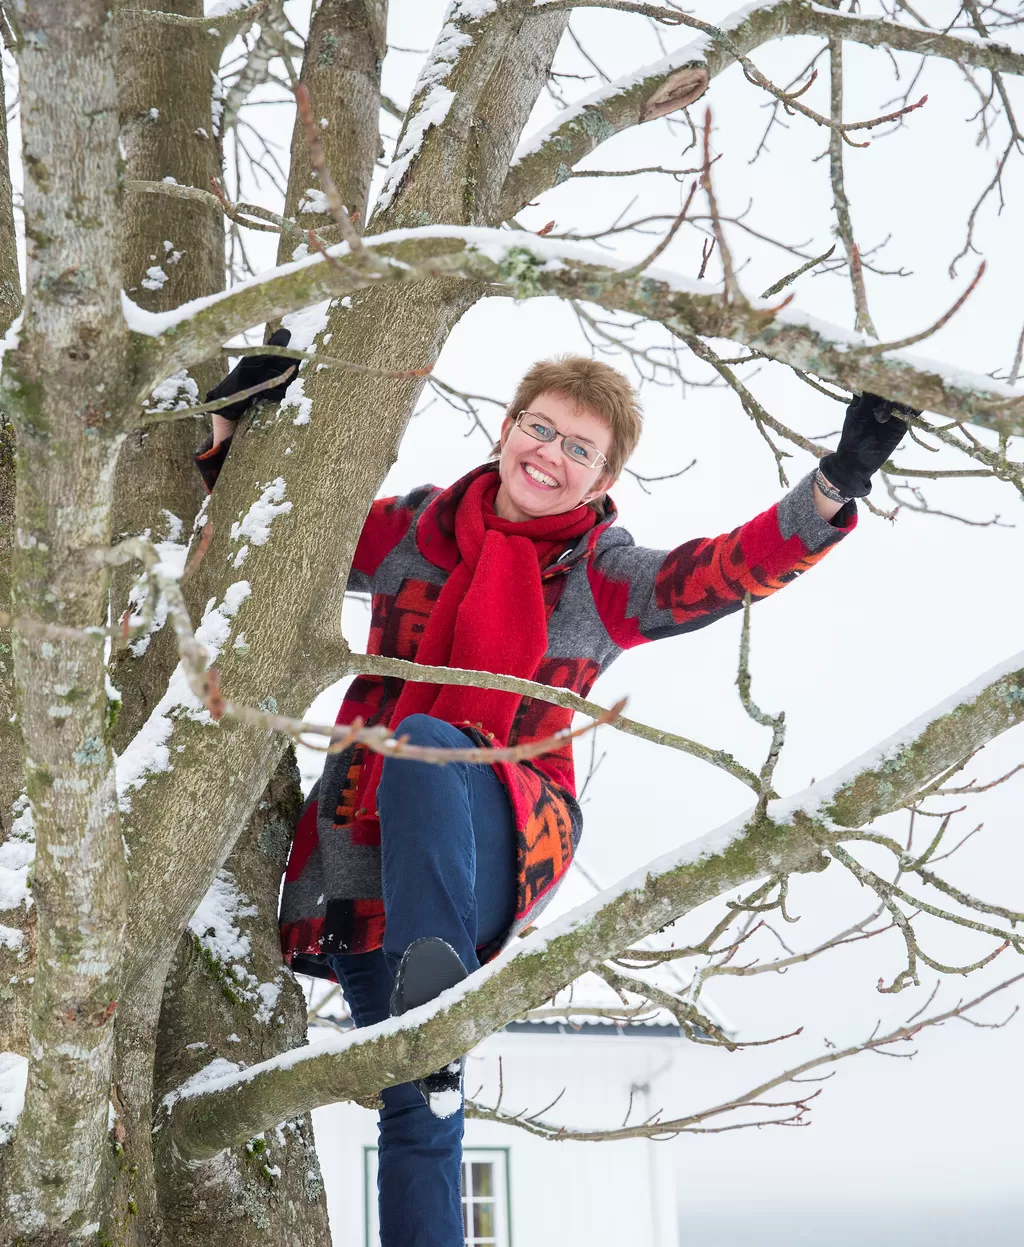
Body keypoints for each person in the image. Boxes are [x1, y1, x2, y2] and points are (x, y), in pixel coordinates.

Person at [196, 351, 910, 1246]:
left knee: (423, 747)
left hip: (503, 829)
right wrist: (231, 438)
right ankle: (434, 1034)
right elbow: (289, 542)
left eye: (579, 447)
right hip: (369, 854)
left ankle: (440, 995)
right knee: (418, 1106)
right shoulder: (414, 531)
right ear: (506, 427)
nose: (549, 453)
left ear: (602, 478)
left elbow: (720, 571)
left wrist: (836, 483)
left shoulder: (602, 578)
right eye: (539, 427)